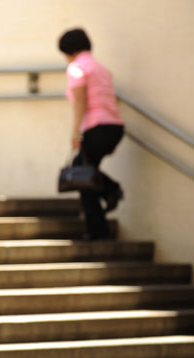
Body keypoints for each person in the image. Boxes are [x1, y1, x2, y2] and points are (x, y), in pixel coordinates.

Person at [58, 28, 125, 240]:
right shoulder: (101, 69)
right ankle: (101, 219)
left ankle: (110, 195)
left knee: (80, 174)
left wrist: (76, 132)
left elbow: (80, 99)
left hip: (96, 128)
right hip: (114, 127)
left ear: (68, 51)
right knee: (84, 172)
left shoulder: (76, 67)